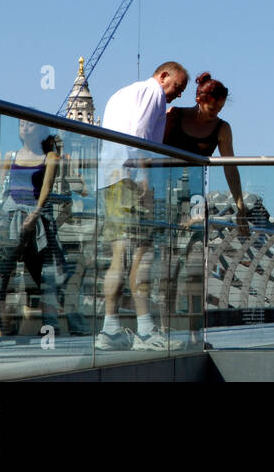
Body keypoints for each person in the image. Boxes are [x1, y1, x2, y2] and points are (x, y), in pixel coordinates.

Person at [94, 62, 188, 352]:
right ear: (163, 76)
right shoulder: (153, 93)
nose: (178, 95)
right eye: (177, 87)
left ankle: (110, 330)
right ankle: (145, 331)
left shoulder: (122, 94)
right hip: (131, 179)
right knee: (142, 253)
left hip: (109, 178)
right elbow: (140, 135)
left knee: (118, 255)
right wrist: (146, 179)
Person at [0, 121, 61, 338]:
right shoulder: (11, 155)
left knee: (42, 272)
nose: (24, 127)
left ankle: (51, 324)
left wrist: (36, 213)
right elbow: (0, 185)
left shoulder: (50, 157)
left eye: (30, 124)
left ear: (40, 130)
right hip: (11, 215)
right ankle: (5, 324)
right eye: (21, 124)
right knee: (3, 271)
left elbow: (47, 187)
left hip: (35, 217)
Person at [163, 72, 248, 234]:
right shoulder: (174, 115)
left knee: (191, 239)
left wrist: (240, 205)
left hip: (194, 193)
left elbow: (230, 168)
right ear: (199, 100)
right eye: (212, 107)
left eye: (220, 108)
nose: (216, 112)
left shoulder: (222, 128)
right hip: (165, 186)